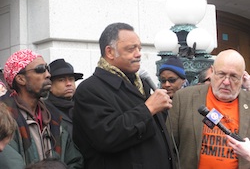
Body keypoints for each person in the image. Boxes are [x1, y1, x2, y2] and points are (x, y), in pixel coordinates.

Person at [73, 22, 175, 169]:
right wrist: (148, 109)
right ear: (110, 52)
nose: (138, 54)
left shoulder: (141, 84)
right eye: (131, 49)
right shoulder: (89, 89)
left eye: (139, 48)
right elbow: (107, 137)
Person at [0, 49, 83, 168]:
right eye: (40, 69)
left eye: (47, 69)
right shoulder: (4, 116)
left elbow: (75, 161)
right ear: (20, 79)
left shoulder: (54, 116)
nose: (48, 74)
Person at [169, 49, 250, 168]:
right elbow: (168, 147)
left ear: (243, 78)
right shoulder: (184, 98)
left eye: (233, 77)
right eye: (221, 74)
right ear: (212, 72)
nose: (226, 82)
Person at [44, 58, 83, 137]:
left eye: (71, 79)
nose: (68, 84)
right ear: (50, 86)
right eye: (61, 80)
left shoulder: (83, 105)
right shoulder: (44, 111)